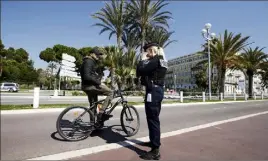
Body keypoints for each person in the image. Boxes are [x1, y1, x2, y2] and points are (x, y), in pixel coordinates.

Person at [136, 42, 168, 160]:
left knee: (153, 119)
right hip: (156, 90)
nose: (146, 53)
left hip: (153, 91)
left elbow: (140, 71)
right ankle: (153, 142)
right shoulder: (161, 60)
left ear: (153, 50)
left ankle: (155, 151)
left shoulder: (156, 60)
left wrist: (142, 60)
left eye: (148, 51)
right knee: (153, 118)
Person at [80, 47, 113, 127]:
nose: (98, 56)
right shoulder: (89, 61)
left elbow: (89, 75)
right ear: (92, 54)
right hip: (90, 86)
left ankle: (93, 125)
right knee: (111, 92)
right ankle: (101, 114)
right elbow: (87, 76)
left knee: (93, 105)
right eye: (97, 55)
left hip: (87, 86)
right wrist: (98, 82)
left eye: (99, 55)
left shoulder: (88, 61)